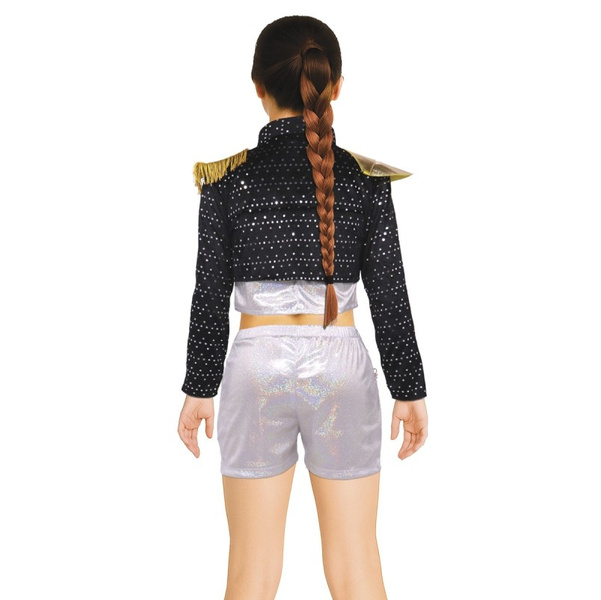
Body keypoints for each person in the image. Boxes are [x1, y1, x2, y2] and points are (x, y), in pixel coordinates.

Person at [177, 15, 428, 600]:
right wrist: (409, 389)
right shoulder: (365, 180)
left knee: (251, 570)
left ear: (257, 86)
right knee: (357, 564)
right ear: (335, 85)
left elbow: (208, 295)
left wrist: (199, 387)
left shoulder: (225, 181)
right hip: (342, 368)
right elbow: (389, 291)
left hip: (254, 369)